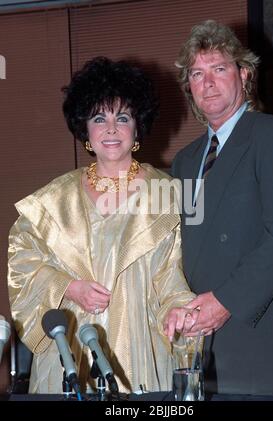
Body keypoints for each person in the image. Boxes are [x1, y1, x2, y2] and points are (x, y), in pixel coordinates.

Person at [7, 57, 195, 394]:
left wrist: (180, 315)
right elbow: (23, 264)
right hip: (69, 353)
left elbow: (173, 277)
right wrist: (66, 286)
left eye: (122, 118)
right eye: (99, 118)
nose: (111, 129)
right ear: (85, 130)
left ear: (137, 128)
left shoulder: (167, 195)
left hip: (138, 350)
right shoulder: (53, 200)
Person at [165, 20, 273, 396]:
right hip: (203, 350)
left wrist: (226, 302)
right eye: (196, 73)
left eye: (219, 69)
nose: (207, 82)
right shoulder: (184, 161)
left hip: (262, 340)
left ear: (244, 74)